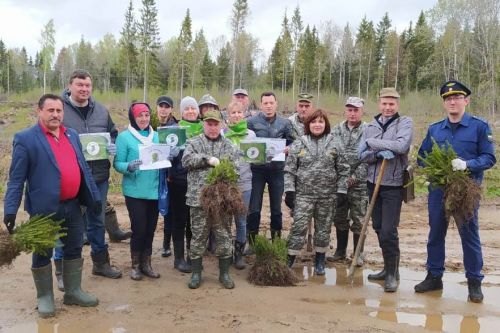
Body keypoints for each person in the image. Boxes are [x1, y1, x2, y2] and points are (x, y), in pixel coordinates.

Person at [3, 94, 100, 317]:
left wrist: (94, 197)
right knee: (43, 251)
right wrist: (10, 209)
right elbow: (16, 179)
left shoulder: (72, 135)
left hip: (73, 205)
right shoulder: (26, 138)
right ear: (39, 111)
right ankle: (45, 297)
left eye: (59, 111)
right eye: (51, 110)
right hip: (44, 209)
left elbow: (83, 169)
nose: (56, 115)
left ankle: (73, 291)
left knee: (74, 246)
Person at [414, 80, 496, 303]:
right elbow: (422, 156)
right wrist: (428, 167)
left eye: (457, 98)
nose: (452, 101)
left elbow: (489, 158)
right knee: (435, 233)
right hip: (438, 190)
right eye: (448, 99)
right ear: (444, 103)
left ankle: (474, 282)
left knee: (469, 235)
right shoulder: (435, 129)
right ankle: (434, 276)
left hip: (465, 191)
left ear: (466, 101)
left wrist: (467, 165)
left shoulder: (479, 127)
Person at [57, 69, 125, 283]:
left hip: (98, 177)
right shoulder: (59, 110)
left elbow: (112, 132)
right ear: (70, 86)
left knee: (96, 220)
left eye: (87, 85)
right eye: (80, 85)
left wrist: (112, 144)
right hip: (70, 177)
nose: (84, 89)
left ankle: (101, 263)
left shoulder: (101, 111)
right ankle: (62, 270)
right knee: (66, 222)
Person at [359, 87, 413, 292]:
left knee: (389, 231)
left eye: (392, 104)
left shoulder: (404, 123)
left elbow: (401, 147)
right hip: (373, 183)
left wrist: (371, 143)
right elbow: (362, 156)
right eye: (384, 103)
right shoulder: (371, 125)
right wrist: (379, 154)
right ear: (379, 103)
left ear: (397, 104)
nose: (388, 107)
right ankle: (389, 268)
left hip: (393, 184)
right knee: (379, 227)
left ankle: (392, 274)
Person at [285, 109, 349, 275]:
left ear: (326, 124)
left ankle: (320, 259)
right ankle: (290, 257)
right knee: (298, 227)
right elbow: (290, 170)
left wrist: (342, 190)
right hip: (303, 195)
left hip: (327, 196)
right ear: (308, 124)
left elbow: (343, 169)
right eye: (313, 122)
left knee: (323, 228)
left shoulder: (335, 143)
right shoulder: (299, 143)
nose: (317, 125)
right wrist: (290, 191)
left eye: (321, 122)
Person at [182, 110, 239, 289]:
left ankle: (224, 274)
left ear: (221, 125)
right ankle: (196, 273)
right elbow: (186, 160)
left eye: (216, 124)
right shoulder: (194, 142)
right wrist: (207, 160)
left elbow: (236, 170)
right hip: (198, 200)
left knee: (224, 236)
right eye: (209, 124)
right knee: (198, 236)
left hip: (222, 201)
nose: (213, 128)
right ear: (204, 125)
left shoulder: (229, 145)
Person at [113, 102, 165, 281]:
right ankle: (135, 265)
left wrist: (169, 156)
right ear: (133, 118)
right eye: (139, 116)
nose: (143, 119)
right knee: (139, 229)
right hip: (134, 191)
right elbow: (117, 163)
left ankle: (146, 264)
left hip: (154, 190)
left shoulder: (157, 136)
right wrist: (129, 166)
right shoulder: (124, 137)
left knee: (150, 230)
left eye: (146, 115)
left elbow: (162, 160)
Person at [247, 92, 293, 242]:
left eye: (271, 103)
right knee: (254, 207)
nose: (268, 106)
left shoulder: (285, 123)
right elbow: (246, 142)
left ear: (276, 104)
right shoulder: (252, 122)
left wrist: (289, 148)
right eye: (265, 103)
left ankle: (276, 241)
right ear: (261, 105)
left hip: (277, 170)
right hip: (256, 170)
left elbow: (292, 142)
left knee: (276, 208)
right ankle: (252, 241)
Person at [329, 97, 368, 267]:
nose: (352, 113)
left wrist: (353, 177)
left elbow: (369, 159)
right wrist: (340, 178)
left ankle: (358, 253)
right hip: (339, 183)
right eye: (350, 110)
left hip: (359, 184)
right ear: (345, 111)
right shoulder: (336, 130)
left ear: (361, 111)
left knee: (358, 219)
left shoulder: (368, 130)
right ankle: (340, 251)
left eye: (356, 110)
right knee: (339, 217)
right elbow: (331, 152)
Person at [168, 96, 204, 273]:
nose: (190, 111)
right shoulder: (174, 130)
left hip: (199, 182)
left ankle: (193, 254)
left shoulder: (204, 129)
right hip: (179, 181)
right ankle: (179, 258)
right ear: (181, 112)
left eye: (193, 108)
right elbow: (162, 155)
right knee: (179, 220)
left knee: (194, 220)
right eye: (187, 109)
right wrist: (170, 154)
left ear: (198, 111)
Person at [223, 101, 257, 269]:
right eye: (233, 112)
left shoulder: (250, 135)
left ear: (244, 114)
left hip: (245, 183)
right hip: (226, 185)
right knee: (225, 219)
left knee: (241, 220)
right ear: (228, 115)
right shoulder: (223, 134)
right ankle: (226, 252)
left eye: (239, 112)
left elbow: (256, 156)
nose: (236, 115)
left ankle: (239, 254)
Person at [155, 95, 178, 258]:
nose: (164, 109)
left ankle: (166, 244)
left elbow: (177, 152)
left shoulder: (175, 127)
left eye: (167, 106)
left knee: (169, 210)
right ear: (157, 107)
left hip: (169, 174)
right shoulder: (150, 124)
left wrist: (171, 174)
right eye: (161, 106)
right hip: (152, 173)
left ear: (171, 109)